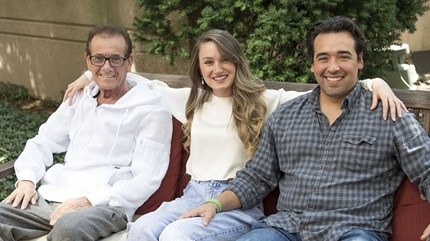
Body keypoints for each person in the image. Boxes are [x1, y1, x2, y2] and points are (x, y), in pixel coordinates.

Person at [65, 28, 406, 241]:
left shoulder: (264, 101)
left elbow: (326, 87)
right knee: (140, 230)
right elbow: (129, 76)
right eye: (208, 62)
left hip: (237, 204)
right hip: (191, 196)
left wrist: (373, 82)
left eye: (225, 60)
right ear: (199, 68)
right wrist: (87, 73)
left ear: (237, 62)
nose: (218, 69)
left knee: (177, 236)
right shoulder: (189, 100)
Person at [179, 16, 430, 241]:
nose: (333, 67)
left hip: (354, 230)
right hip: (285, 229)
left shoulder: (390, 114)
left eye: (343, 56)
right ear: (312, 64)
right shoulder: (286, 116)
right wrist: (215, 204)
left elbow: (426, 168)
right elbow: (257, 178)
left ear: (360, 61)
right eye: (323, 58)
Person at [0, 24, 172, 241]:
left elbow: (147, 179)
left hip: (105, 205)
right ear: (88, 60)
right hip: (52, 197)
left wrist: (90, 200)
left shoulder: (152, 111)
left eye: (116, 59)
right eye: (98, 58)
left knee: (68, 228)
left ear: (129, 61)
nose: (107, 67)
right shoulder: (80, 98)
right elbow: (42, 142)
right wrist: (26, 180)